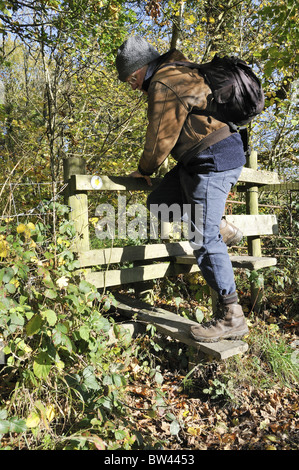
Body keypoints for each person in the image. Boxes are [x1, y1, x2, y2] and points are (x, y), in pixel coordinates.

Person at [115, 36, 249, 343]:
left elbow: (160, 137)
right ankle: (220, 226)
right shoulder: (179, 70)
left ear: (140, 68)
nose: (130, 84)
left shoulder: (165, 82)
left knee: (202, 238)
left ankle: (232, 315)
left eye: (129, 77)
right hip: (198, 158)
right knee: (160, 201)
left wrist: (145, 168)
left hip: (213, 157)